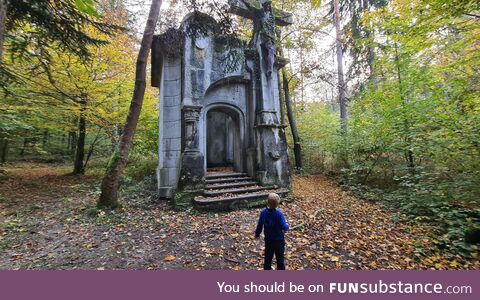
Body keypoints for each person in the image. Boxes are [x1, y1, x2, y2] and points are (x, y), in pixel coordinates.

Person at [255, 193, 289, 270]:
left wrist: (257, 234)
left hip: (268, 239)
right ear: (277, 204)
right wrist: (287, 226)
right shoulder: (279, 214)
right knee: (280, 258)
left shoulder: (263, 212)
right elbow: (284, 227)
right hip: (278, 240)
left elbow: (260, 225)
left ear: (267, 202)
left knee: (268, 257)